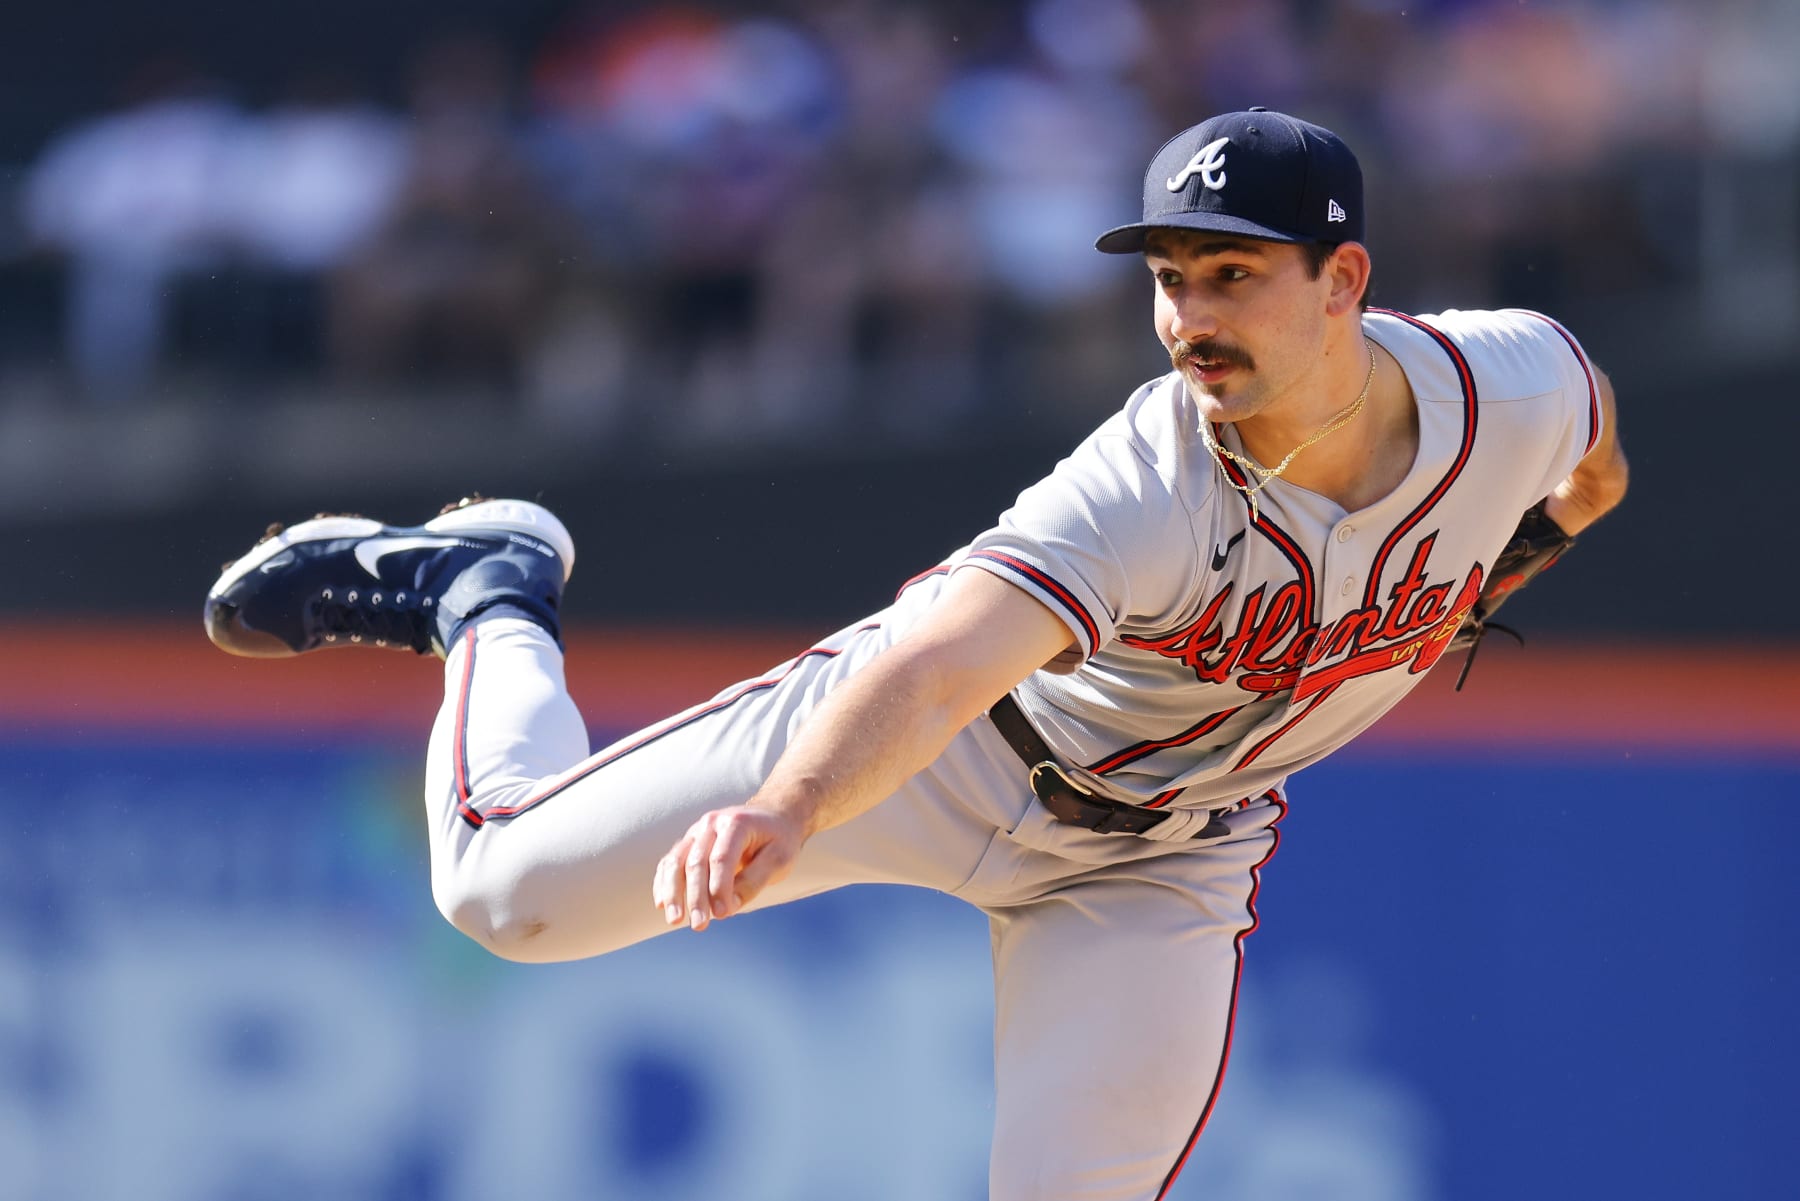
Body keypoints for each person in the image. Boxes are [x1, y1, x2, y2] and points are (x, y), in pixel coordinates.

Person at [205, 108, 1628, 1200]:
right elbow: (946, 658)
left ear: (1345, 280)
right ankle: (488, 587)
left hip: (1160, 863)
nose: (1190, 316)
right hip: (946, 749)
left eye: (1234, 274)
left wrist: (1549, 528)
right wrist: (786, 806)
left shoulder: (1508, 384)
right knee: (500, 893)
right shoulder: (1150, 477)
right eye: (1172, 278)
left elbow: (1593, 439)